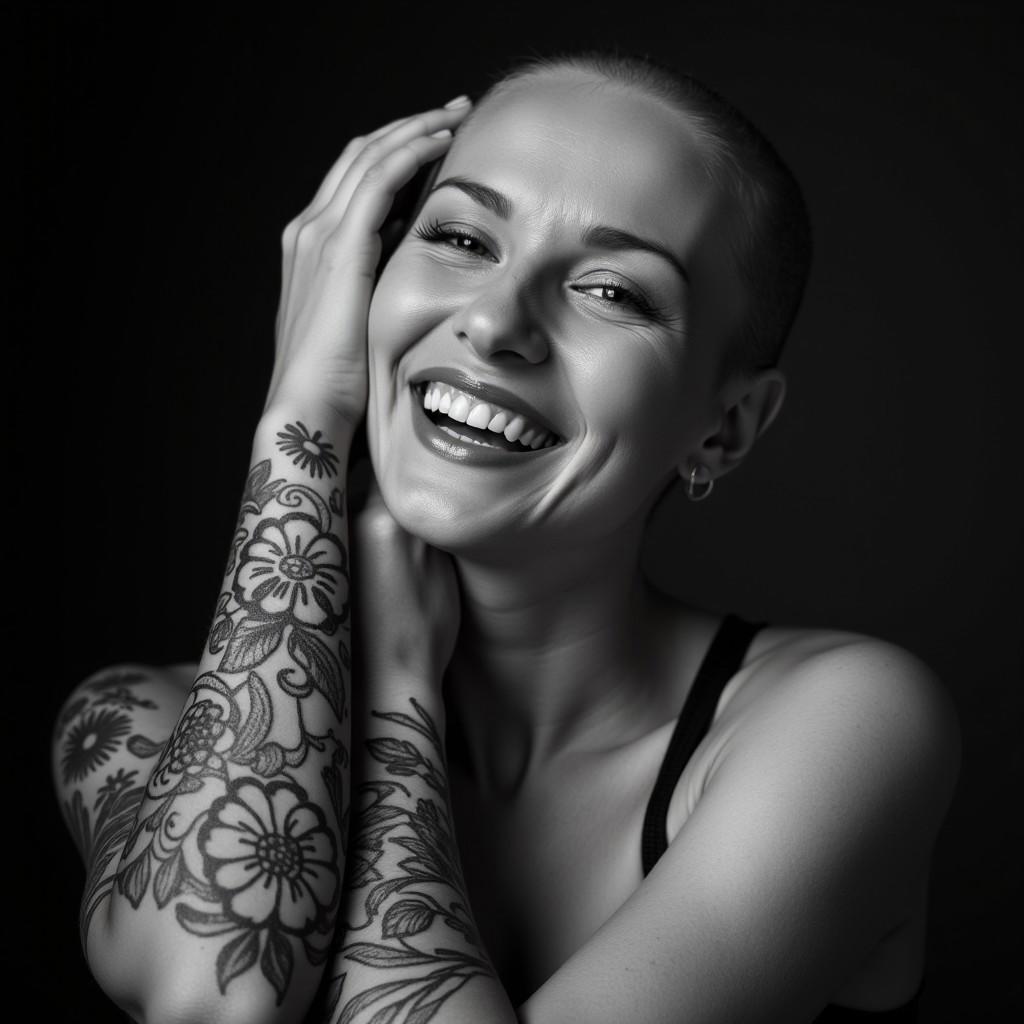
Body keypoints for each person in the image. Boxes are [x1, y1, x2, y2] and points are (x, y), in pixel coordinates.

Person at [51, 50, 960, 1024]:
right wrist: (299, 424)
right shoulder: (133, 720)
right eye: (459, 237)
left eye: (614, 291)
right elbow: (208, 1000)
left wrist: (399, 697)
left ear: (724, 426)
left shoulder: (844, 725)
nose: (493, 322)